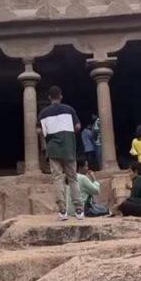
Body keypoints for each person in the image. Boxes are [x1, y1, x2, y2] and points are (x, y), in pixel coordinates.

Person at [38, 85, 84, 221]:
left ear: (49, 98)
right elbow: (77, 126)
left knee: (57, 179)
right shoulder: (69, 110)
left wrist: (48, 135)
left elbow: (39, 131)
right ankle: (79, 210)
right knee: (72, 178)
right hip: (69, 147)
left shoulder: (43, 113)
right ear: (61, 96)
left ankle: (62, 210)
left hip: (53, 149)